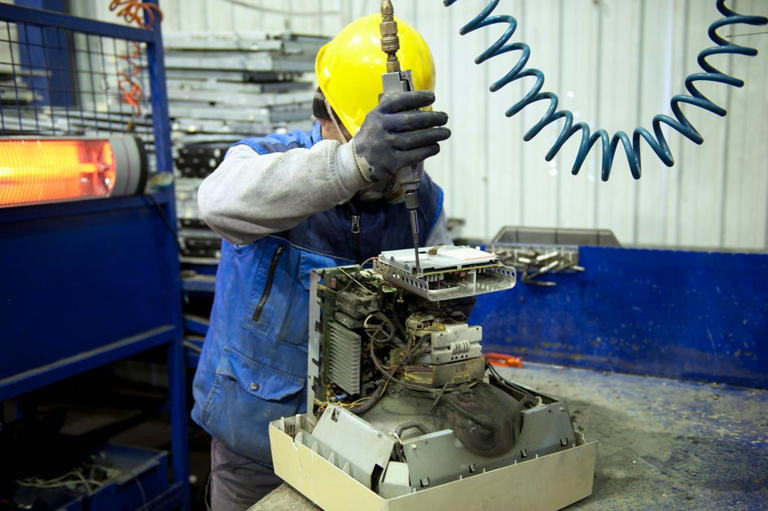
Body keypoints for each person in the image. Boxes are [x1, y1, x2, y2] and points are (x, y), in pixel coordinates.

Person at [192, 14, 452, 510]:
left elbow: (433, 319)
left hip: (363, 444)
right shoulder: (269, 164)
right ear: (327, 113)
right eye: (383, 153)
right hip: (254, 442)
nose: (392, 175)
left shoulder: (422, 203)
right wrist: (351, 166)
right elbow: (214, 202)